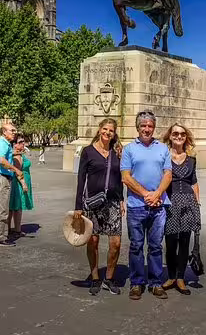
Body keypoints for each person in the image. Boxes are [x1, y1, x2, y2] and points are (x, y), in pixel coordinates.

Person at [120, 110, 172, 301]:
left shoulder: (163, 148)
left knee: (156, 246)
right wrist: (146, 194)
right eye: (143, 126)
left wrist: (157, 194)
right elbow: (125, 177)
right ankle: (136, 283)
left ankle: (156, 283)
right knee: (136, 246)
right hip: (136, 205)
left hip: (159, 205)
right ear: (138, 127)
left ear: (154, 127)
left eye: (150, 126)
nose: (147, 129)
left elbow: (168, 174)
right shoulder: (129, 149)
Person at [74, 118, 125, 296]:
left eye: (111, 130)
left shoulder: (117, 151)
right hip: (92, 202)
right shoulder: (88, 151)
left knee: (116, 243)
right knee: (93, 241)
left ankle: (109, 278)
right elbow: (81, 179)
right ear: (99, 130)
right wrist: (78, 206)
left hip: (112, 202)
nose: (107, 133)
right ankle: (95, 277)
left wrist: (121, 199)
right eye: (105, 129)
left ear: (114, 133)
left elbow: (120, 178)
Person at [162, 123, 201, 296]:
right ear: (170, 136)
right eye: (176, 133)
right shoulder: (163, 157)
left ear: (186, 137)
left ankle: (180, 277)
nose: (179, 136)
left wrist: (197, 204)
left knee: (185, 241)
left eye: (183, 134)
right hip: (170, 202)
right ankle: (170, 276)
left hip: (188, 202)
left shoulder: (191, 159)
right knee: (170, 242)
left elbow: (194, 181)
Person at [0, 124, 28, 247]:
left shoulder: (4, 143)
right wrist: (16, 170)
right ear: (4, 132)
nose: (14, 132)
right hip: (2, 178)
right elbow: (2, 161)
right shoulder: (2, 143)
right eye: (12, 130)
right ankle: (1, 238)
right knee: (3, 210)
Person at [8, 135, 33, 238]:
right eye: (20, 142)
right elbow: (18, 172)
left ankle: (13, 229)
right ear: (14, 144)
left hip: (20, 181)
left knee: (15, 206)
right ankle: (15, 229)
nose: (23, 143)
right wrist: (23, 184)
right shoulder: (16, 156)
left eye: (23, 141)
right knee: (16, 207)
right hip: (18, 183)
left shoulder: (19, 154)